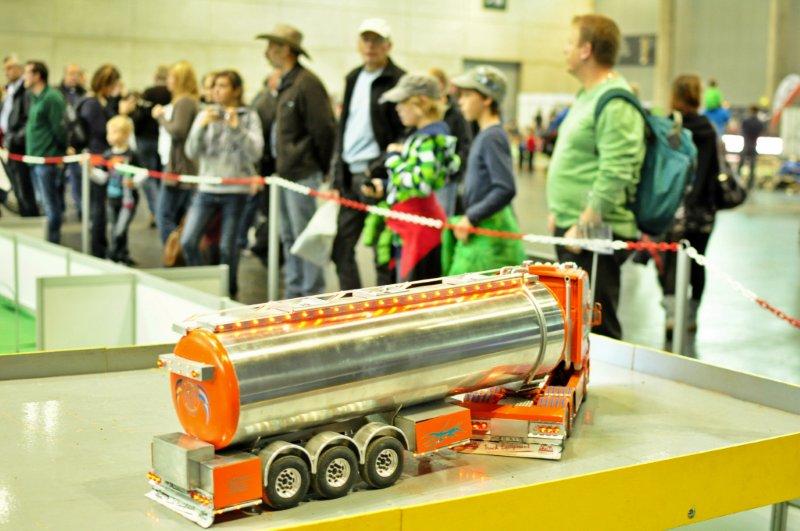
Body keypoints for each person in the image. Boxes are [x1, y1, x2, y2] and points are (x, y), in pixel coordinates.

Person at [546, 14, 645, 340]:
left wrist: (586, 222)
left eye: (570, 42)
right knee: (574, 326)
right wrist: (559, 212)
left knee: (596, 326)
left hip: (593, 233)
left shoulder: (614, 101)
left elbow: (617, 168)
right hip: (572, 228)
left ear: (586, 50)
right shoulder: (586, 95)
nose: (565, 49)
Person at [258, 24, 336, 297]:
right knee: (290, 235)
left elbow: (324, 129)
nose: (267, 52)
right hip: (286, 172)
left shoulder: (306, 83)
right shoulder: (288, 83)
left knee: (305, 236)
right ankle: (295, 291)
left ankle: (311, 293)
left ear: (286, 50)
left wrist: (324, 168)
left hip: (302, 172)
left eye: (272, 46)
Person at [361, 73, 460, 282]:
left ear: (421, 102)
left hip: (421, 233)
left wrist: (393, 159)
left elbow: (421, 184)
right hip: (413, 227)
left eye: (403, 102)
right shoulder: (425, 137)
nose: (397, 108)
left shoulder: (429, 139)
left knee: (415, 289)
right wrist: (386, 185)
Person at [330, 18, 406, 290]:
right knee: (341, 248)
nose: (370, 46)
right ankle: (352, 302)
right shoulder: (353, 77)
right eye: (366, 39)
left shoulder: (398, 79)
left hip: (378, 177)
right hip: (349, 174)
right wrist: (336, 174)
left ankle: (384, 304)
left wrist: (382, 169)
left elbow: (404, 130)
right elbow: (344, 126)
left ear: (388, 46)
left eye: (377, 40)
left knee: (382, 251)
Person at [183, 70, 263, 299]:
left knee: (228, 248)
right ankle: (204, 287)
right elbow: (191, 152)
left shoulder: (249, 116)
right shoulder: (204, 114)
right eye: (215, 86)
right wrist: (201, 127)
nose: (217, 90)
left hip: (235, 191)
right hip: (207, 188)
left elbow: (256, 152)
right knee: (188, 241)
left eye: (223, 86)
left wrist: (236, 127)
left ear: (236, 90)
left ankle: (228, 294)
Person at [445, 65, 526, 275]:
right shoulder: (484, 135)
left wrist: (471, 217)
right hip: (482, 231)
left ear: (487, 99)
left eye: (467, 95)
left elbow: (505, 187)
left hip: (490, 239)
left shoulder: (492, 137)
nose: (460, 101)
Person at [659, 75, 720, 336]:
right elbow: (715, 172)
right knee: (698, 262)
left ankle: (672, 315)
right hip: (703, 211)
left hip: (673, 208)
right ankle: (692, 316)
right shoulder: (709, 128)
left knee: (669, 261)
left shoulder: (670, 126)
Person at [152, 60, 199, 245]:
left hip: (179, 166)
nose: (168, 81)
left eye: (172, 77)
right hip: (181, 164)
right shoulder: (186, 101)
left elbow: (178, 131)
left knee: (164, 214)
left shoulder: (184, 101)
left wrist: (161, 117)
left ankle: (173, 252)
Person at [24, 60, 67, 243]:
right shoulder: (34, 97)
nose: (24, 77)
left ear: (38, 75)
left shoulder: (52, 97)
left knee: (51, 205)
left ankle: (53, 242)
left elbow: (60, 128)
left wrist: (61, 152)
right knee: (43, 202)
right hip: (34, 158)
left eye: (27, 73)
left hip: (47, 159)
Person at [131, 65, 171, 225]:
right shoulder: (171, 94)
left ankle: (156, 211)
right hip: (163, 140)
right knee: (161, 176)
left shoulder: (148, 93)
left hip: (146, 139)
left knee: (148, 177)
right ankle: (162, 209)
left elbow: (139, 116)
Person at [429, 67, 472, 217]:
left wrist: (454, 169)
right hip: (427, 176)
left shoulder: (456, 113)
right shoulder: (425, 111)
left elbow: (465, 144)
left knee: (443, 217)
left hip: (447, 179)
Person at [1, 54, 38, 216]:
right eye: (5, 69)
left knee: (24, 186)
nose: (7, 72)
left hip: (19, 146)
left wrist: (14, 139)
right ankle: (25, 214)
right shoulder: (9, 90)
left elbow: (29, 120)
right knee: (16, 186)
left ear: (20, 68)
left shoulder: (26, 91)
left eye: (10, 68)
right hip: (7, 144)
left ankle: (30, 216)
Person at [101, 115, 141, 265]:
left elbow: (143, 173)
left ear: (125, 134)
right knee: (114, 228)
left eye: (113, 132)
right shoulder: (107, 155)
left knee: (119, 229)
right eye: (109, 132)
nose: (109, 136)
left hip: (127, 200)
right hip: (112, 198)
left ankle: (112, 255)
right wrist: (90, 171)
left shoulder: (132, 155)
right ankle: (122, 255)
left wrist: (133, 182)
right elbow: (103, 176)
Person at [57, 63, 87, 219]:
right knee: (59, 181)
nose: (74, 77)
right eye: (71, 73)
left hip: (79, 146)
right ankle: (60, 210)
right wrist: (66, 145)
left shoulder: (84, 94)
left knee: (78, 180)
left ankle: (82, 210)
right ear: (65, 74)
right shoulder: (57, 94)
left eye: (77, 74)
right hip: (61, 145)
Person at [739, 105, 764, 189]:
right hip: (753, 145)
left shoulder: (746, 121)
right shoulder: (759, 123)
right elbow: (760, 132)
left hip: (746, 145)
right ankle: (750, 184)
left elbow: (743, 131)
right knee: (752, 166)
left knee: (741, 164)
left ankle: (738, 180)